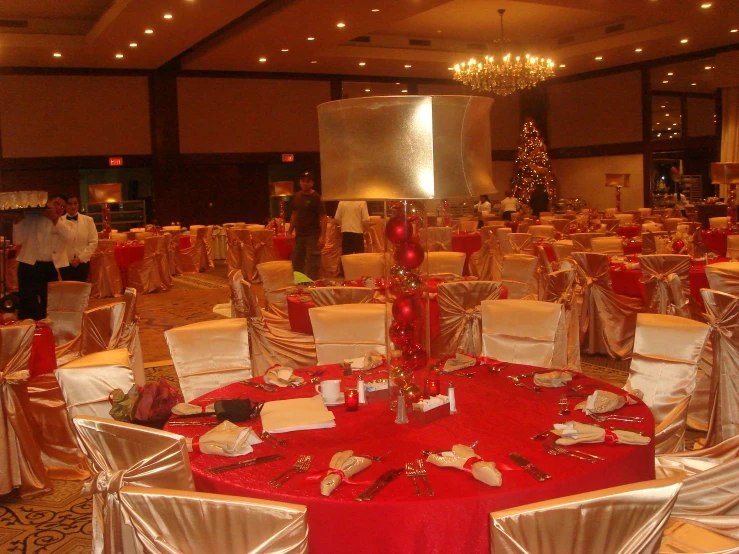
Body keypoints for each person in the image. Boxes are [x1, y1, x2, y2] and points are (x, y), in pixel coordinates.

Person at [13, 193, 74, 320]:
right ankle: (29, 331)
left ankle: (47, 330)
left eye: (62, 207)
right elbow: (17, 240)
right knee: (27, 301)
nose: (58, 208)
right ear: (49, 202)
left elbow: (69, 238)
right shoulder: (31, 217)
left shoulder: (63, 223)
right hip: (28, 265)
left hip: (49, 267)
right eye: (56, 204)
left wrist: (55, 219)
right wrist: (18, 221)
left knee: (50, 303)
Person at [290, 171, 326, 280]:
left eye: (307, 182)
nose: (305, 183)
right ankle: (300, 283)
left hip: (313, 235)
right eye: (303, 181)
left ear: (312, 183)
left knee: (312, 262)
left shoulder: (317, 197)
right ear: (299, 182)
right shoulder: (297, 196)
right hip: (300, 235)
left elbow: (323, 217)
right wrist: (289, 231)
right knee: (297, 261)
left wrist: (323, 237)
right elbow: (294, 214)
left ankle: (312, 285)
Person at [60, 194, 98, 282]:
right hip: (65, 263)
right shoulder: (59, 221)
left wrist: (80, 258)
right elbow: (56, 243)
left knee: (81, 292)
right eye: (70, 204)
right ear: (65, 206)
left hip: (83, 262)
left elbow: (93, 242)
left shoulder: (88, 220)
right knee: (67, 291)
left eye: (75, 203)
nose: (73, 206)